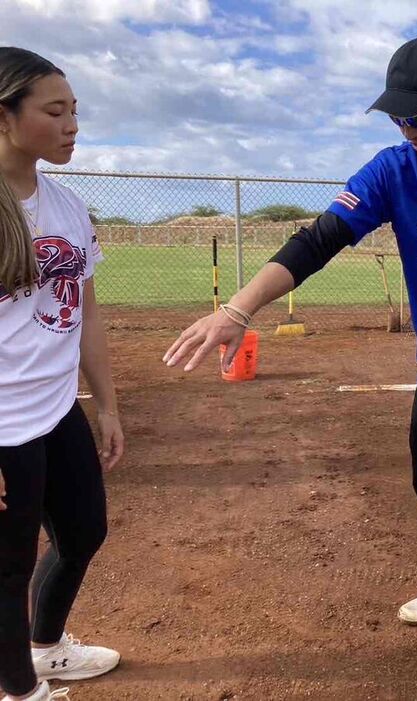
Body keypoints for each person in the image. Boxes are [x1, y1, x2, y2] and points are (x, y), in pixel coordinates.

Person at [163, 35, 417, 700]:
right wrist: (239, 310)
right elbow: (318, 240)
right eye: (397, 118)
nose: (407, 130)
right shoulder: (392, 171)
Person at [0, 48, 125, 701]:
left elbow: (88, 317)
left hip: (55, 408)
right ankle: (19, 690)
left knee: (82, 532)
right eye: (55, 111)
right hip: (2, 423)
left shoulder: (68, 205)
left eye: (74, 110)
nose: (72, 124)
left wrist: (106, 405)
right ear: (6, 117)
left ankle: (45, 648)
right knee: (7, 564)